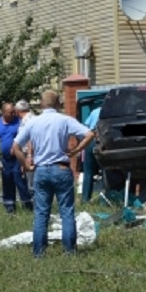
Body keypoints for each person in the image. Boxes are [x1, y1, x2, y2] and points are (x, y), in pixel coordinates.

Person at [13, 90, 94, 257]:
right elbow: (89, 134)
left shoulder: (33, 122)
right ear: (58, 104)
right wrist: (76, 150)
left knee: (41, 213)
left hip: (41, 170)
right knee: (66, 211)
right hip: (61, 168)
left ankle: (39, 252)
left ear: (41, 104)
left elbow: (15, 147)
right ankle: (69, 251)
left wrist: (26, 164)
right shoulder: (64, 120)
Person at [0, 102, 32, 213]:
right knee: (7, 181)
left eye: (13, 112)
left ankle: (27, 205)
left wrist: (21, 150)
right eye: (10, 112)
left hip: (18, 157)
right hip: (5, 159)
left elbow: (26, 136)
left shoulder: (18, 122)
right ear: (3, 112)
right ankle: (9, 207)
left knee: (20, 180)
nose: (13, 114)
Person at [80, 105, 101, 203]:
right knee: (107, 171)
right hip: (103, 140)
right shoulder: (111, 111)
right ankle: (106, 197)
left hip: (91, 141)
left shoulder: (95, 111)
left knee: (88, 172)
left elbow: (87, 126)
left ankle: (85, 198)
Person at [14, 99, 35, 198]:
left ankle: (35, 206)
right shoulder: (32, 117)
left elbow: (30, 138)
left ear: (18, 111)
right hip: (27, 153)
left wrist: (29, 156)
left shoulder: (28, 120)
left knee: (31, 183)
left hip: (30, 154)